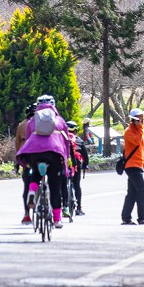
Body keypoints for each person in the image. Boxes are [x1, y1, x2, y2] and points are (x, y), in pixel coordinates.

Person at [16, 94, 71, 230]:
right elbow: (66, 142)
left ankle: (32, 191)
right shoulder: (60, 121)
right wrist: (66, 158)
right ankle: (57, 219)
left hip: (35, 152)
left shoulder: (32, 121)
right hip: (53, 152)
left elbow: (28, 139)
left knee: (35, 172)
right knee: (54, 186)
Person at [120, 108, 144, 225]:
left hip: (138, 164)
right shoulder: (129, 131)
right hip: (131, 165)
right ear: (134, 119)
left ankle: (126, 217)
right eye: (140, 117)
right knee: (141, 190)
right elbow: (137, 142)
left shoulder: (139, 130)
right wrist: (140, 128)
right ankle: (142, 217)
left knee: (132, 192)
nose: (142, 120)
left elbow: (142, 149)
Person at [15, 103, 36, 224]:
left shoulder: (22, 125)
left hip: (26, 157)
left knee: (27, 186)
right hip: (43, 154)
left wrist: (17, 161)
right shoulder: (45, 123)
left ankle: (27, 214)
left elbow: (17, 144)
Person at [65, 121, 89, 215]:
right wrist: (85, 165)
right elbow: (85, 155)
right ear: (75, 130)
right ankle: (79, 207)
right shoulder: (78, 140)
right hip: (76, 166)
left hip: (65, 164)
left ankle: (64, 207)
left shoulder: (62, 138)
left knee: (62, 185)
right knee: (77, 185)